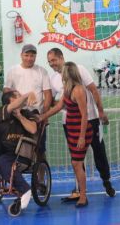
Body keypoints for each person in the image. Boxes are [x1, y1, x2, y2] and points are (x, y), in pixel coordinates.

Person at [47, 48, 116, 200]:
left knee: (99, 151)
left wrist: (101, 112)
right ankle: (79, 189)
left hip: (90, 119)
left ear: (61, 57)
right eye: (49, 61)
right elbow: (52, 100)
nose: (52, 64)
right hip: (70, 123)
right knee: (76, 158)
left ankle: (106, 182)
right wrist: (45, 113)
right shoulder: (53, 79)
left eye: (54, 60)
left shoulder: (79, 69)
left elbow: (93, 90)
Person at [39, 61, 93, 207]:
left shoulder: (79, 90)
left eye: (63, 73)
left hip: (81, 131)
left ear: (68, 74)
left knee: (76, 163)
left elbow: (84, 115)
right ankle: (80, 193)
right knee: (76, 163)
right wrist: (42, 117)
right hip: (71, 130)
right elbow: (58, 107)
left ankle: (83, 196)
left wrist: (82, 137)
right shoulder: (68, 89)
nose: (60, 75)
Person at [4, 44, 52, 163]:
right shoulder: (12, 71)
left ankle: (40, 179)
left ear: (35, 57)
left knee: (40, 149)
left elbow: (48, 95)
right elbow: (6, 91)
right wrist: (18, 97)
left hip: (36, 117)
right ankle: (14, 175)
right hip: (17, 117)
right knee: (14, 147)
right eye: (26, 55)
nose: (29, 58)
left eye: (32, 55)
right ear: (21, 55)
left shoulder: (42, 71)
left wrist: (44, 115)